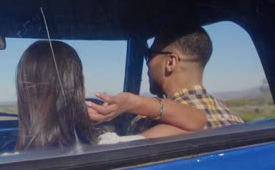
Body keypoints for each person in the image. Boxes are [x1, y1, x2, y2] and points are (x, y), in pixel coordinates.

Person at [0, 40, 206, 162]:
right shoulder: (112, 147)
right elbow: (197, 122)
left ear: (24, 94)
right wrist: (132, 103)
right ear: (80, 88)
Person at [87, 24, 244, 136]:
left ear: (170, 62)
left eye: (150, 55)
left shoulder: (151, 125)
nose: (147, 63)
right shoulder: (234, 120)